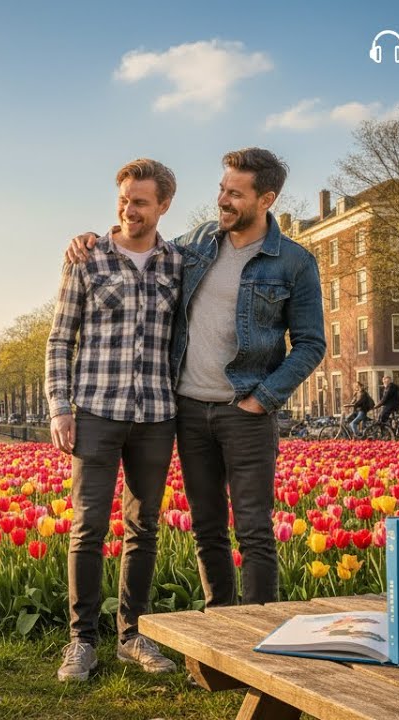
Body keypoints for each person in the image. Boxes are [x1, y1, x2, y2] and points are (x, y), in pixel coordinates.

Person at [66, 148, 326, 608]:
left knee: (255, 532)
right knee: (207, 530)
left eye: (235, 194)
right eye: (222, 190)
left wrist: (262, 398)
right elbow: (140, 242)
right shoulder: (200, 243)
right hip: (186, 409)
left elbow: (311, 344)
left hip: (245, 411)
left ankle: (258, 641)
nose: (222, 201)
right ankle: (219, 630)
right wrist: (92, 238)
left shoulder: (294, 263)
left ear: (266, 199)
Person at [45, 158, 183, 683]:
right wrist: (60, 407)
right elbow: (61, 338)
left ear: (163, 206)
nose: (129, 208)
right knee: (88, 526)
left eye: (141, 201)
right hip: (97, 410)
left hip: (157, 412)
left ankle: (133, 635)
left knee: (144, 526)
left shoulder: (179, 263)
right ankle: (81, 640)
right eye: (123, 198)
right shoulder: (87, 257)